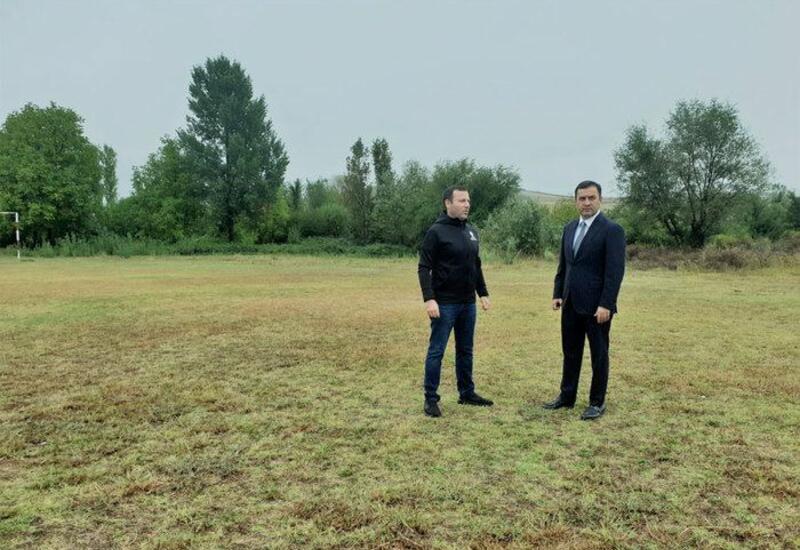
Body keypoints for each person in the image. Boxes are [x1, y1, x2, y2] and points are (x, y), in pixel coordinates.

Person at [544, 180, 626, 420]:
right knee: (570, 352)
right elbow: (564, 265)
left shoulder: (612, 230)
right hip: (570, 302)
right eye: (582, 198)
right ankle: (566, 396)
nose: (587, 202)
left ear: (600, 199)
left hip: (597, 307)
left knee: (599, 354)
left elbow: (614, 272)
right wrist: (558, 293)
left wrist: (606, 304)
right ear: (576, 201)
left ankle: (597, 402)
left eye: (591, 198)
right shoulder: (569, 228)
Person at [418, 186, 493, 418]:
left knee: (465, 350)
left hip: (467, 303)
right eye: (461, 201)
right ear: (447, 203)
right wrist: (429, 299)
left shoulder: (471, 231)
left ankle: (466, 393)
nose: (467, 204)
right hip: (444, 303)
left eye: (468, 200)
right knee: (437, 351)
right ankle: (431, 399)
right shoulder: (436, 232)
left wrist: (482, 293)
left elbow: (475, 264)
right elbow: (424, 267)